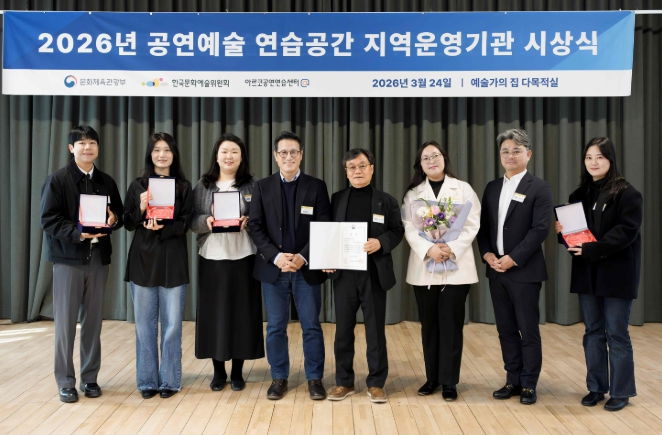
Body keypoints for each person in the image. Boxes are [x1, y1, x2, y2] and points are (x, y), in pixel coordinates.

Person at [555, 137, 641, 412]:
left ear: (610, 160)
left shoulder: (628, 193)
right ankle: (596, 387)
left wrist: (592, 248)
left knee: (616, 333)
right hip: (587, 273)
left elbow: (626, 232)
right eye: (589, 157)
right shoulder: (578, 195)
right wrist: (563, 233)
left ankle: (621, 391)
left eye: (600, 157)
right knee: (592, 332)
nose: (593, 162)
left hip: (617, 274)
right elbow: (575, 237)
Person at [40, 125, 124, 403]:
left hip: (98, 259)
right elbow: (48, 220)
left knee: (93, 322)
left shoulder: (106, 181)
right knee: (65, 324)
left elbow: (118, 213)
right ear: (71, 148)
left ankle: (90, 378)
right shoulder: (58, 180)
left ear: (98, 148)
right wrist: (77, 233)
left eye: (92, 143)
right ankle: (66, 381)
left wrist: (113, 219)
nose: (88, 148)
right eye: (82, 143)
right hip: (68, 260)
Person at [248, 131, 331, 401]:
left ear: (301, 155)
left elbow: (324, 225)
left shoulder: (316, 186)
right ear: (275, 156)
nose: (289, 157)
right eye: (283, 152)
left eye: (294, 152)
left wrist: (303, 256)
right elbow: (255, 226)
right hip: (274, 269)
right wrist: (276, 257)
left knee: (312, 326)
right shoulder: (262, 187)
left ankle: (314, 378)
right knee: (275, 326)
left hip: (306, 268)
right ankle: (279, 377)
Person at [476, 128, 553, 405]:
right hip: (496, 269)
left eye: (516, 151)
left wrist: (514, 257)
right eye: (505, 151)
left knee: (527, 329)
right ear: (500, 155)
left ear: (528, 154)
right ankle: (513, 379)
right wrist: (487, 254)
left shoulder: (540, 188)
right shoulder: (492, 187)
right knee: (505, 329)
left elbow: (540, 229)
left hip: (524, 271)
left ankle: (529, 383)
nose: (510, 155)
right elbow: (483, 227)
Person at [401, 141, 481, 401]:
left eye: (435, 155)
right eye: (426, 158)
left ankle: (449, 381)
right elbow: (408, 227)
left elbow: (472, 224)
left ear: (444, 158)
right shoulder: (413, 193)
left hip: (456, 268)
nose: (431, 161)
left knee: (451, 326)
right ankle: (432, 378)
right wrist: (430, 249)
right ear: (420, 164)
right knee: (429, 326)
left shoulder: (463, 189)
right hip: (425, 266)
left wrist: (450, 248)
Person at [324, 148, 404, 403]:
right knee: (343, 330)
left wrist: (381, 242)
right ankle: (344, 382)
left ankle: (376, 383)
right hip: (344, 274)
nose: (357, 171)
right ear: (346, 172)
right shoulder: (336, 199)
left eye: (362, 166)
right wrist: (327, 258)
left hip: (374, 273)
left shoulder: (386, 200)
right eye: (352, 167)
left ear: (372, 168)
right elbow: (328, 232)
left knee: (375, 330)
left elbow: (397, 230)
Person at [191, 133, 264, 392]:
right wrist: (206, 221)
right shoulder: (203, 185)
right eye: (224, 151)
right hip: (212, 258)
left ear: (242, 157)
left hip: (244, 257)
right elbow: (192, 219)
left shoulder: (253, 185)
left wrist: (249, 222)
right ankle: (218, 372)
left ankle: (237, 372)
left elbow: (262, 219)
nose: (229, 156)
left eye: (234, 151)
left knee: (242, 315)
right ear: (216, 156)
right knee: (215, 317)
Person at [123, 133, 192, 399]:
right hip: (143, 259)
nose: (161, 155)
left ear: (174, 155)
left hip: (173, 260)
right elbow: (128, 222)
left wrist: (164, 227)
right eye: (156, 150)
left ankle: (170, 381)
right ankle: (147, 381)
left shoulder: (183, 186)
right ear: (149, 154)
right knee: (144, 325)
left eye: (167, 150)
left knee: (172, 325)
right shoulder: (137, 185)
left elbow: (186, 223)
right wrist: (141, 208)